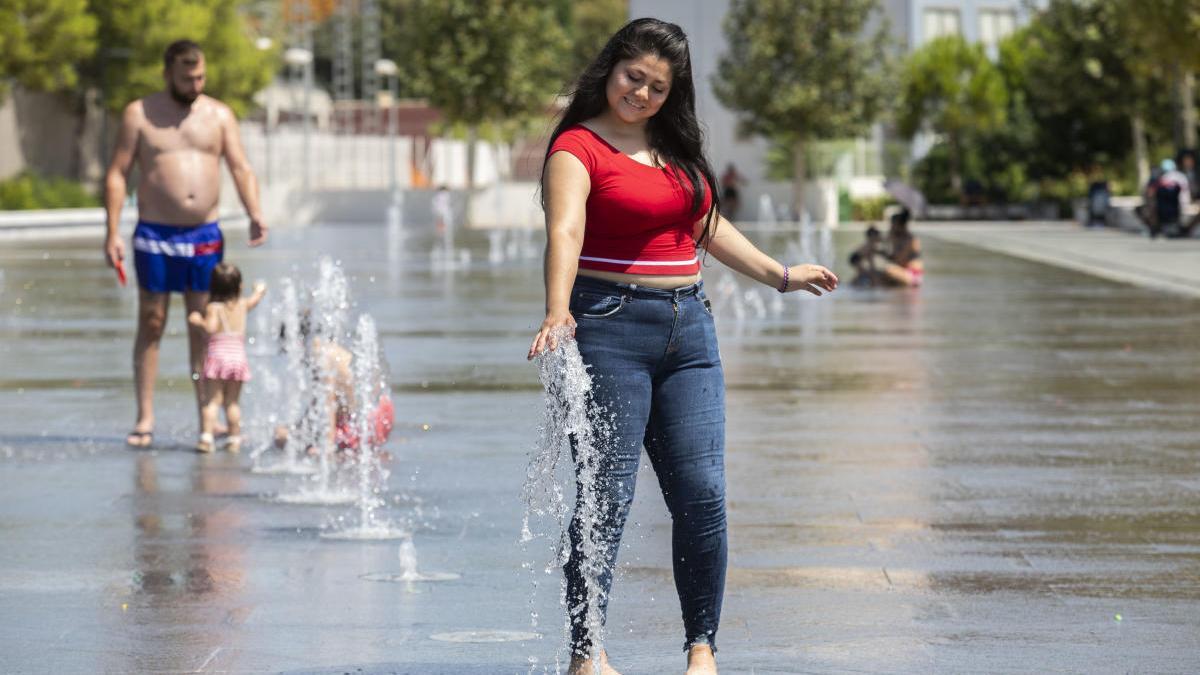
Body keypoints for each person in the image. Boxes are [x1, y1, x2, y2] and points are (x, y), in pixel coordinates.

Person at [526, 19, 838, 675]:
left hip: (689, 330)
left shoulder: (673, 148)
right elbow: (566, 228)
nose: (640, 92)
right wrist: (557, 310)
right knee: (605, 499)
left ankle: (702, 649)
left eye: (657, 85)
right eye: (632, 76)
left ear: (673, 93)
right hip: (608, 328)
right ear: (610, 70)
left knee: (702, 494)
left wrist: (781, 275)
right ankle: (588, 653)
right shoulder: (578, 149)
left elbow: (706, 225)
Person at [103, 39, 267, 448]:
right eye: (186, 77)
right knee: (152, 322)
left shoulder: (219, 115)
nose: (195, 84)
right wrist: (111, 231)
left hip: (203, 236)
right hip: (155, 234)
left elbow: (240, 167)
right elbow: (118, 174)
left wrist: (254, 212)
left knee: (206, 328)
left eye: (200, 77)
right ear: (167, 74)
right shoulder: (139, 115)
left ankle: (206, 420)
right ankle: (144, 418)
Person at [272, 313, 395, 456]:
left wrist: (326, 447)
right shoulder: (330, 348)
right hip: (381, 414)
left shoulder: (319, 355)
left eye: (286, 349)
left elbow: (328, 402)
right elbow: (320, 403)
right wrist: (300, 426)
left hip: (366, 422)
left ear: (296, 341)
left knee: (281, 438)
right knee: (288, 433)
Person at [187, 263, 265, 453]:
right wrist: (260, 290)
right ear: (239, 286)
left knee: (212, 400)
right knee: (232, 402)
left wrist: (197, 321)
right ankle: (234, 439)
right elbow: (254, 300)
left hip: (218, 357)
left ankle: (206, 438)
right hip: (237, 358)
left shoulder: (214, 307)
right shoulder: (242, 304)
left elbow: (211, 328)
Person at [878, 209, 923, 287]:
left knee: (888, 270)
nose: (891, 227)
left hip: (913, 276)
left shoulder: (909, 239)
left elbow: (900, 260)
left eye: (892, 224)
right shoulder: (898, 238)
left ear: (899, 225)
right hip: (903, 271)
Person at [1148, 158, 1192, 239]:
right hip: (1178, 208)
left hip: (1169, 209)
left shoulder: (1161, 179)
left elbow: (1151, 193)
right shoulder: (1181, 177)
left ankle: (1156, 229)